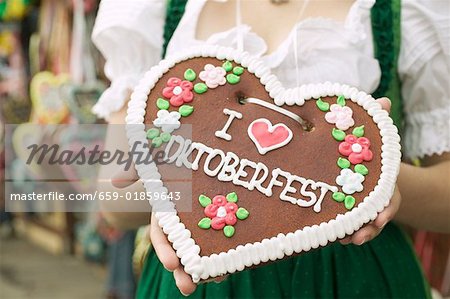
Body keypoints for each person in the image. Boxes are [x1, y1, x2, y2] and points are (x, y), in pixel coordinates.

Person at [92, 0, 450, 297]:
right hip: (201, 264)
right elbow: (114, 195)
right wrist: (178, 194)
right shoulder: (149, 9)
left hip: (354, 277)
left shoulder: (409, 8)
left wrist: (374, 179)